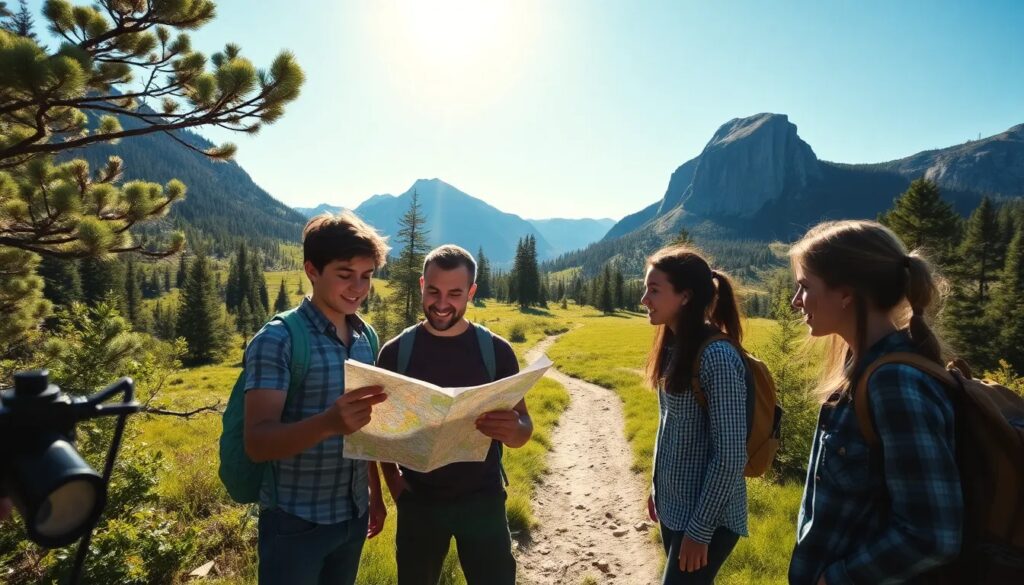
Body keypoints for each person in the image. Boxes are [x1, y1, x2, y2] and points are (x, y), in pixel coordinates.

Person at [787, 220, 962, 585]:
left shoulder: (893, 383)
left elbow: (932, 536)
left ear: (846, 294)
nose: (795, 301)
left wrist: (835, 579)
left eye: (805, 287)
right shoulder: (860, 369)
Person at [243, 212, 391, 585]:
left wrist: (374, 492)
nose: (358, 287)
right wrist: (328, 423)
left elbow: (363, 427)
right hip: (294, 523)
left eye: (367, 276)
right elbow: (258, 442)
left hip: (353, 516)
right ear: (312, 270)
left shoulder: (365, 338)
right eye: (345, 274)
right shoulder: (278, 339)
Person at [377, 244, 532, 585]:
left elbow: (524, 425)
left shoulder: (497, 352)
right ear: (421, 285)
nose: (442, 303)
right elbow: (380, 434)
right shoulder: (395, 354)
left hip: (483, 501)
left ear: (471, 292)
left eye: (455, 293)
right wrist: (395, 487)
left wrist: (515, 430)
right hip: (418, 503)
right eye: (433, 291)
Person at [641, 245, 749, 585]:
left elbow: (731, 456)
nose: (645, 298)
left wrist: (700, 532)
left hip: (708, 520)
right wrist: (657, 489)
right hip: (676, 508)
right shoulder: (674, 345)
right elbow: (669, 427)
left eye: (654, 290)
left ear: (685, 296)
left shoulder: (716, 356)